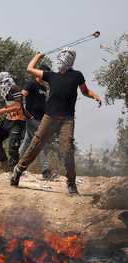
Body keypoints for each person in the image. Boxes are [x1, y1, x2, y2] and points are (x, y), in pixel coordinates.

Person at [11, 49, 102, 194]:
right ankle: (18, 169)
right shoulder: (50, 75)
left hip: (67, 120)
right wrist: (37, 56)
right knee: (35, 144)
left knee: (67, 150)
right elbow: (29, 69)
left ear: (70, 60)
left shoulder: (77, 76)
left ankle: (71, 184)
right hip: (49, 117)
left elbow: (85, 91)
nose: (62, 60)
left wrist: (94, 95)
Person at [19, 63, 53, 180]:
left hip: (40, 119)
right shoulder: (31, 84)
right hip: (32, 119)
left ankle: (14, 163)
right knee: (39, 143)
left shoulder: (44, 88)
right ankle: (45, 171)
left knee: (27, 142)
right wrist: (23, 112)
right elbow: (21, 96)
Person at [0, 72, 26, 173]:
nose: (0, 86)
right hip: (8, 120)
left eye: (0, 83)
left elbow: (18, 106)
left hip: (18, 122)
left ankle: (13, 171)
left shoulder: (15, 89)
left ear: (6, 82)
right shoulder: (6, 93)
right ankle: (4, 165)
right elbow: (9, 107)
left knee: (12, 148)